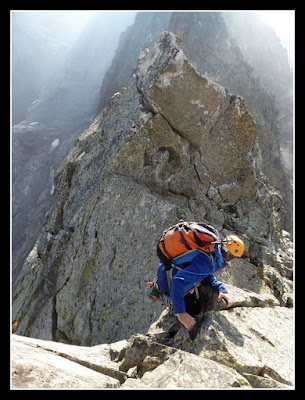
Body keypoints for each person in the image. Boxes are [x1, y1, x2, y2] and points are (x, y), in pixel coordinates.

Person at [156, 235, 244, 331]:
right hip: (171, 287)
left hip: (168, 274)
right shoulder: (207, 261)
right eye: (232, 256)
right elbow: (178, 280)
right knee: (195, 312)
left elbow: (205, 274)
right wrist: (181, 313)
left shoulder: (210, 251)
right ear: (226, 252)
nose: (231, 260)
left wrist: (220, 288)